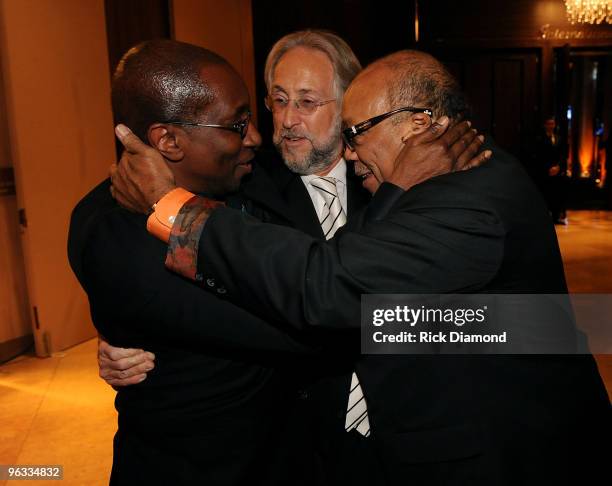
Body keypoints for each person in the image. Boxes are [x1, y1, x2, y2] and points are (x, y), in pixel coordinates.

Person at [110, 49, 611, 486]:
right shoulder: (432, 183)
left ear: (417, 123)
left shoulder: (469, 200)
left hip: (496, 455)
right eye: (277, 100)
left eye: (357, 132)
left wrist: (174, 207)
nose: (349, 151)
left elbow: (329, 285)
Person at [68, 39, 312, 486]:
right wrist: (468, 323)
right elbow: (309, 323)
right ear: (169, 140)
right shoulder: (116, 236)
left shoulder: (246, 173)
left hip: (284, 454)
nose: (256, 137)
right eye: (237, 124)